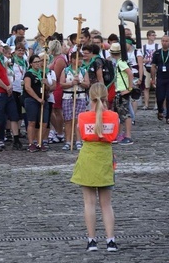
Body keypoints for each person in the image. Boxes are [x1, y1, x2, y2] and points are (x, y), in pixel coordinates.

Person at [70, 83, 120, 252]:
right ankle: (110, 240)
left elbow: (80, 135)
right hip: (105, 156)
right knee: (106, 204)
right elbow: (115, 136)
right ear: (106, 97)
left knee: (89, 203)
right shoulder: (114, 116)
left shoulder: (82, 117)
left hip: (88, 156)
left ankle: (91, 241)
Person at [0, 40, 21, 151]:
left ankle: (16, 139)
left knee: (13, 115)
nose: (2, 48)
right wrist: (6, 87)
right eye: (1, 46)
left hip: (6, 91)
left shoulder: (0, 60)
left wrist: (9, 85)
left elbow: (5, 75)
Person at [59, 51, 90, 150]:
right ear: (72, 60)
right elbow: (62, 84)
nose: (79, 61)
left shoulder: (83, 71)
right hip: (68, 97)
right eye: (77, 59)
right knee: (68, 120)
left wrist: (80, 82)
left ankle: (78, 140)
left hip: (80, 96)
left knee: (78, 119)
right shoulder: (66, 70)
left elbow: (87, 84)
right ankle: (68, 141)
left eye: (81, 59)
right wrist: (72, 83)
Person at [151, 35, 169, 124]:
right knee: (160, 98)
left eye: (166, 41)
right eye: (163, 41)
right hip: (160, 79)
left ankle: (168, 116)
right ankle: (160, 111)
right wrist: (153, 79)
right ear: (161, 41)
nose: (165, 42)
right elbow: (153, 66)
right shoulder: (157, 53)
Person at [109, 43, 134, 145]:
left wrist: (129, 88)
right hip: (119, 91)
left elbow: (130, 73)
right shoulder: (119, 62)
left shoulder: (121, 63)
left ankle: (128, 135)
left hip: (123, 91)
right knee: (120, 114)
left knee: (125, 114)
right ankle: (119, 135)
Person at [141, 30, 160, 110]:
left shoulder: (157, 46)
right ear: (148, 36)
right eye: (152, 35)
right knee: (146, 87)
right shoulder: (144, 47)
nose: (154, 37)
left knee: (156, 86)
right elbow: (140, 57)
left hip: (155, 68)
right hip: (146, 67)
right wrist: (143, 60)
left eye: (154, 35)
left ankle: (156, 104)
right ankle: (146, 104)